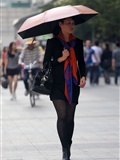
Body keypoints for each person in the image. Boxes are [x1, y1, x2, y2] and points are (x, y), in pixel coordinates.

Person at [43, 17, 86, 160]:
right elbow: (46, 64)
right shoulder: (52, 42)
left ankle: (68, 142)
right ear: (60, 25)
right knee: (62, 116)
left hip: (74, 84)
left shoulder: (77, 43)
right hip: (57, 84)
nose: (72, 25)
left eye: (73, 23)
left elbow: (82, 62)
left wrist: (83, 76)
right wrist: (61, 58)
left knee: (70, 118)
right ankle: (65, 150)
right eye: (69, 23)